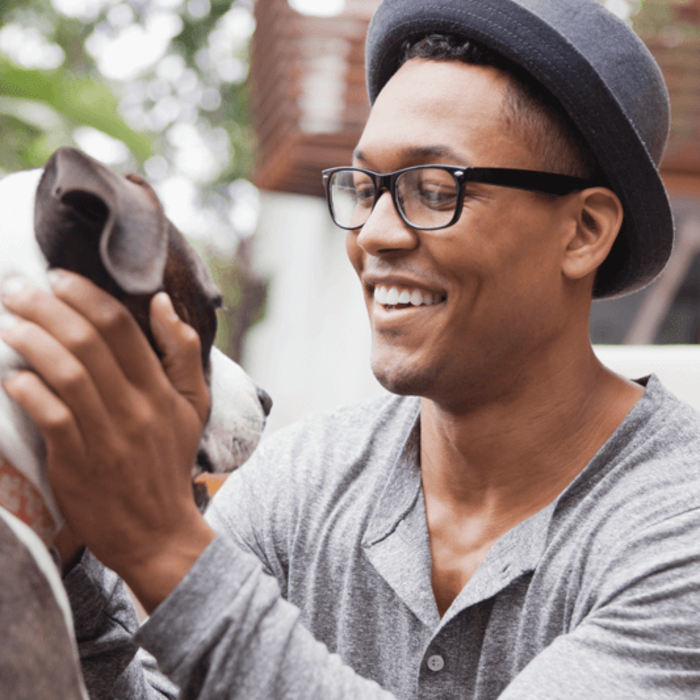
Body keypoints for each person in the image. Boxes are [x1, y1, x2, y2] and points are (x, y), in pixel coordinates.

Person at [1, 0, 700, 697]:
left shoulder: (678, 529)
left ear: (582, 231)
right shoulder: (298, 485)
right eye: (366, 188)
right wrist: (68, 548)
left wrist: (162, 547)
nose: (375, 235)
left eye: (434, 189)